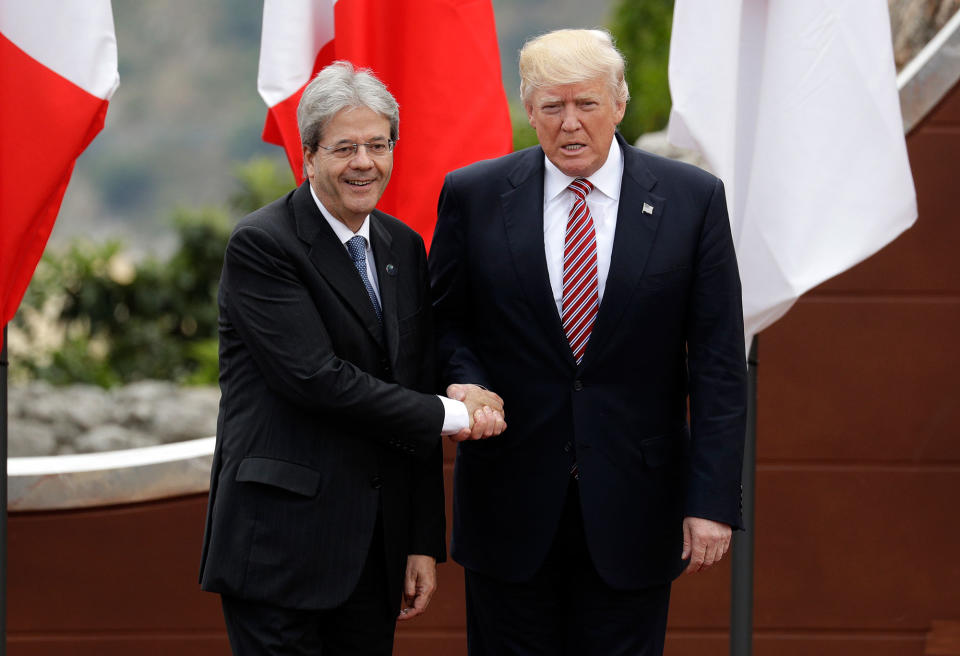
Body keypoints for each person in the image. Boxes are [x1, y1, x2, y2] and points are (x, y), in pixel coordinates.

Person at [429, 29, 747, 655]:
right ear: (530, 111)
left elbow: (717, 364)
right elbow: (442, 321)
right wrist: (464, 377)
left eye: (587, 104)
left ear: (620, 104)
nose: (569, 124)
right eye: (552, 106)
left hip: (637, 507)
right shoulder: (474, 195)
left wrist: (711, 500)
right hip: (509, 504)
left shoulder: (691, 200)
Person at [199, 60, 505, 656]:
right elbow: (317, 379)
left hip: (373, 554)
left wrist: (420, 540)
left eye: (377, 145)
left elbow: (411, 374)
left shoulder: (402, 245)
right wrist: (453, 414)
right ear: (309, 156)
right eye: (344, 148)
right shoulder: (264, 245)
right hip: (280, 550)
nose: (363, 163)